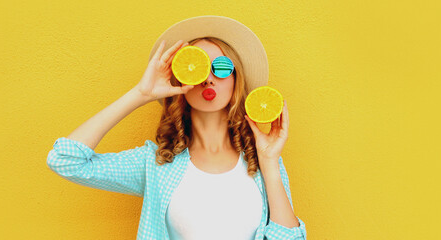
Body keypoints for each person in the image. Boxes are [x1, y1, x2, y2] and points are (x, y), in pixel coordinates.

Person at [47, 15, 307, 240]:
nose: (208, 79)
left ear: (236, 79)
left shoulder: (263, 164)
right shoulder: (155, 164)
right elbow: (66, 160)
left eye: (222, 67)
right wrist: (141, 93)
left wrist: (270, 161)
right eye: (196, 68)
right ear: (180, 79)